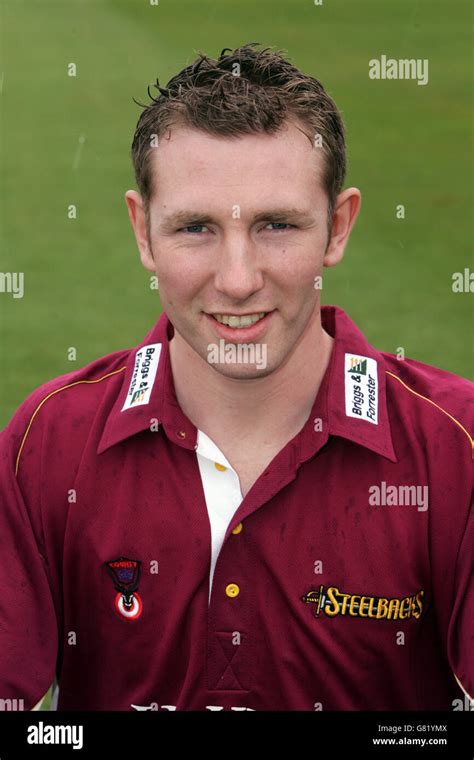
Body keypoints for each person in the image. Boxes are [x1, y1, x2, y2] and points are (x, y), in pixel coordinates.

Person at [0, 43, 472, 712]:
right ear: (143, 232)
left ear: (338, 228)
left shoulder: (458, 448)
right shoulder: (46, 441)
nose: (239, 280)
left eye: (278, 225)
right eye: (195, 228)